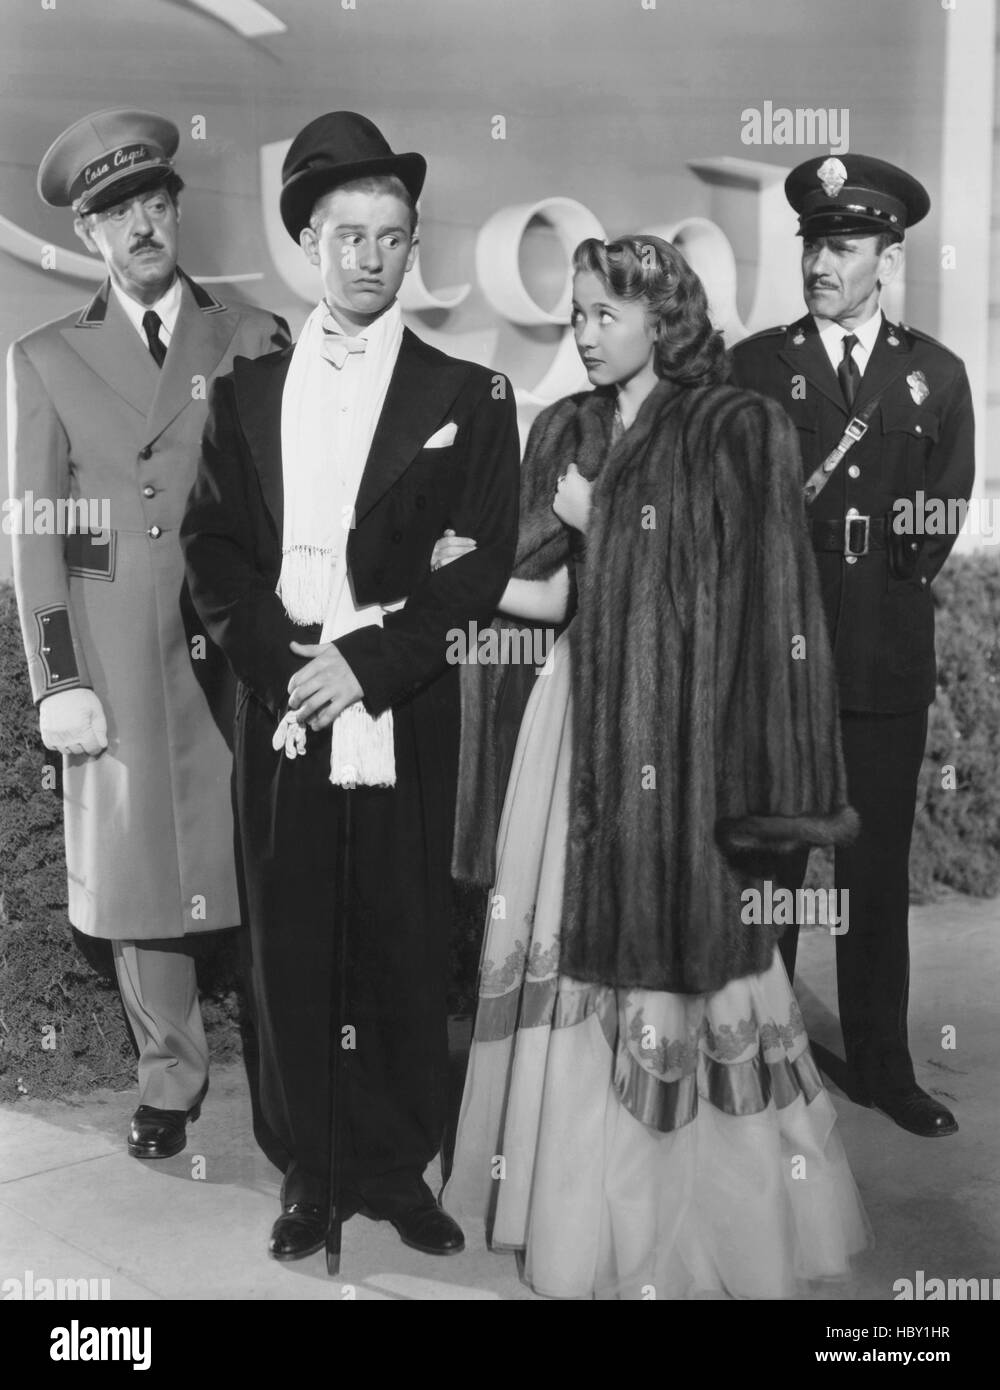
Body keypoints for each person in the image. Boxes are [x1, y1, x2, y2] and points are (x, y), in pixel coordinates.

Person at [440, 235, 870, 1300]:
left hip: (684, 740)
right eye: (574, 313)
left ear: (661, 317)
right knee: (565, 960)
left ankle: (701, 1227)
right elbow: (553, 598)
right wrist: (466, 570)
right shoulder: (569, 429)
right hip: (575, 722)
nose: (581, 330)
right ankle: (571, 1215)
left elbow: (756, 594)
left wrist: (609, 521)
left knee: (690, 967)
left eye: (601, 312)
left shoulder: (737, 424)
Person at [180, 111, 520, 1262]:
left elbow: (478, 563)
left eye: (393, 236)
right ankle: (312, 1169)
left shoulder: (469, 396)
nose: (371, 257)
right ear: (307, 249)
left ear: (411, 249)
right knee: (290, 940)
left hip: (399, 711)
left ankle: (395, 1164)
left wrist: (365, 664)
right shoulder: (241, 397)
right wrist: (288, 669)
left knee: (400, 934)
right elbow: (213, 558)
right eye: (349, 236)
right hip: (283, 715)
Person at [7, 108, 289, 1161]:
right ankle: (169, 1079)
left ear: (177, 210)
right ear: (88, 236)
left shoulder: (253, 335)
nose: (140, 226)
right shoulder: (44, 357)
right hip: (119, 645)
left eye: (154, 204)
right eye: (115, 213)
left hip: (241, 640)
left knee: (261, 858)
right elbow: (35, 533)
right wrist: (56, 678)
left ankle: (287, 1064)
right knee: (139, 876)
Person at [731, 155, 974, 1138]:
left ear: (886, 253)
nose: (820, 263)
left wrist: (877, 568)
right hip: (781, 651)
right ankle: (755, 1063)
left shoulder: (934, 373)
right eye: (811, 244)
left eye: (841, 245)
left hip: (880, 644)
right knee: (775, 873)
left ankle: (882, 1066)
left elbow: (938, 507)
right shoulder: (756, 365)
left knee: (870, 875)